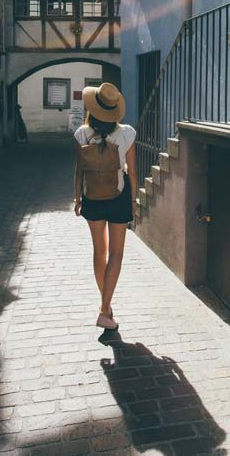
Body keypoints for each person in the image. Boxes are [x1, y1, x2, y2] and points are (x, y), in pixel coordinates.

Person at [72, 83, 137, 331]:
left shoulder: (81, 134)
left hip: (92, 196)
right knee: (117, 253)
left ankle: (107, 307)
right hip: (119, 196)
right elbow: (131, 172)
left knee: (99, 251)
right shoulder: (127, 133)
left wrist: (77, 197)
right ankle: (104, 309)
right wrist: (133, 202)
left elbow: (79, 170)